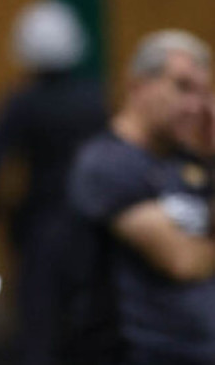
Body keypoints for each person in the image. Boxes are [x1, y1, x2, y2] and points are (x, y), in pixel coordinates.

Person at [0, 0, 107, 365]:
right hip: (95, 235)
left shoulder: (20, 104)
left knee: (39, 337)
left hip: (40, 237)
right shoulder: (97, 101)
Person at [68, 29, 215, 364]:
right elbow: (181, 261)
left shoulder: (192, 162)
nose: (195, 105)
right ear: (138, 85)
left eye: (203, 93)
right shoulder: (105, 162)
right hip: (138, 353)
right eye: (182, 87)